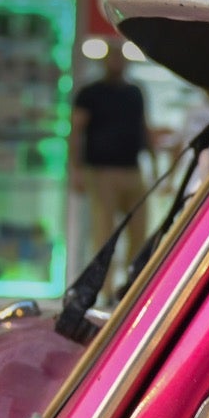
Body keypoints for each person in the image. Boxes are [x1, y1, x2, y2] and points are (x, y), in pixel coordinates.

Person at [71, 48, 150, 293]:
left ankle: (132, 287)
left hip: (131, 169)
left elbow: (143, 127)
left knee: (140, 231)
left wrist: (154, 164)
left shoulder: (135, 92)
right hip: (101, 170)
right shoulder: (90, 93)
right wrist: (75, 169)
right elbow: (76, 131)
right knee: (103, 233)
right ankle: (102, 290)